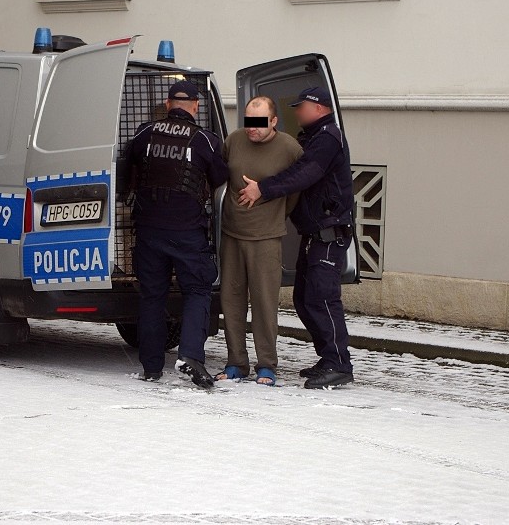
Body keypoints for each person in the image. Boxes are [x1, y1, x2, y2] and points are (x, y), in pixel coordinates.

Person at [238, 86, 355, 389]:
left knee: (322, 299)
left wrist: (262, 189)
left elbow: (303, 175)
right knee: (304, 300)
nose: (297, 111)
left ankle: (339, 363)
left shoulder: (328, 138)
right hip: (314, 233)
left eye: (301, 106)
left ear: (319, 108)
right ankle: (328, 358)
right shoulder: (313, 138)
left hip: (329, 234)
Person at [122, 80, 228, 389]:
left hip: (149, 230)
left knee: (152, 296)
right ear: (196, 106)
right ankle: (190, 357)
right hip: (187, 233)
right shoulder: (206, 141)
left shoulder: (144, 133)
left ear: (168, 104)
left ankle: (152, 367)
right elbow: (221, 177)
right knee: (196, 291)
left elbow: (127, 167)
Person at [216, 96, 302, 386]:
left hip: (266, 237)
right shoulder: (235, 140)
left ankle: (267, 364)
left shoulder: (289, 148)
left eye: (259, 123)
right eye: (248, 122)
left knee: (265, 303)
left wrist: (271, 205)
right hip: (232, 233)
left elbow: (296, 187)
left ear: (274, 122)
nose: (252, 129)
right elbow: (220, 173)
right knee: (231, 300)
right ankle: (236, 361)